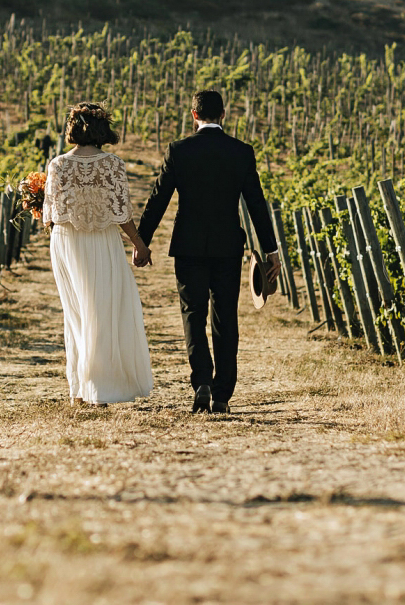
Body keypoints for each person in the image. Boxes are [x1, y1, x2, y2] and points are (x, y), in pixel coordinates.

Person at [136, 90, 280, 413]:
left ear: (193, 115)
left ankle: (201, 380)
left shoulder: (179, 151)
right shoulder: (241, 152)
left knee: (193, 313)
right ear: (224, 115)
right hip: (228, 247)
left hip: (188, 247)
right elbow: (256, 204)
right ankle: (222, 394)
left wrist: (142, 242)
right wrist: (271, 250)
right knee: (225, 317)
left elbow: (158, 198)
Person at [42, 102, 154, 404]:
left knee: (76, 313)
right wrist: (139, 244)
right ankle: (100, 387)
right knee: (104, 310)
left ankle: (80, 389)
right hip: (102, 241)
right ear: (103, 129)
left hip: (67, 241)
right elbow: (122, 214)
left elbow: (49, 217)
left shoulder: (57, 165)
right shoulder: (113, 164)